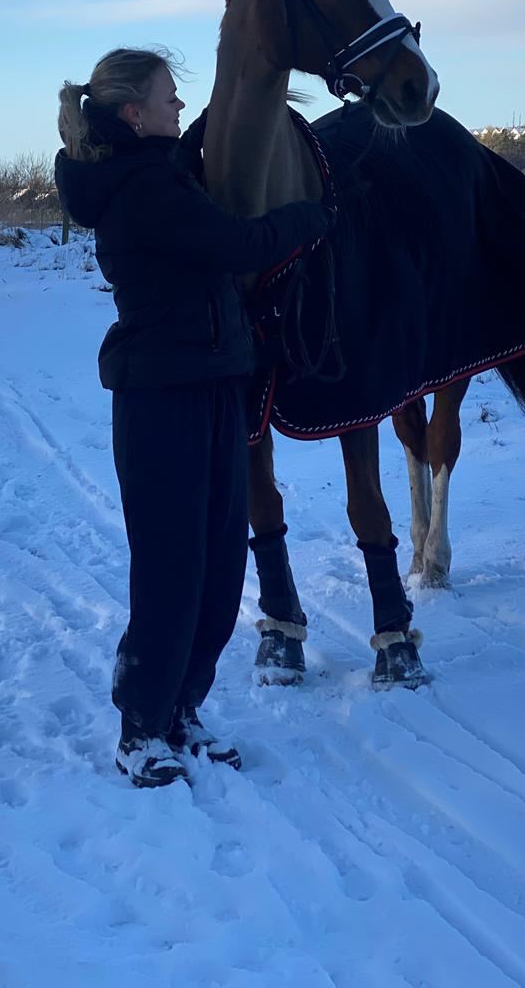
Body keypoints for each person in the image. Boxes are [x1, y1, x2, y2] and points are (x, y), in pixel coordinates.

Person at [55, 48, 331, 788]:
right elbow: (236, 244)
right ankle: (140, 727)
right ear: (131, 113)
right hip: (161, 396)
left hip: (212, 381)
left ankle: (182, 710)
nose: (180, 108)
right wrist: (309, 217)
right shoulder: (142, 187)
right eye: (168, 98)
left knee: (218, 562)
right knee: (173, 567)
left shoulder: (162, 169)